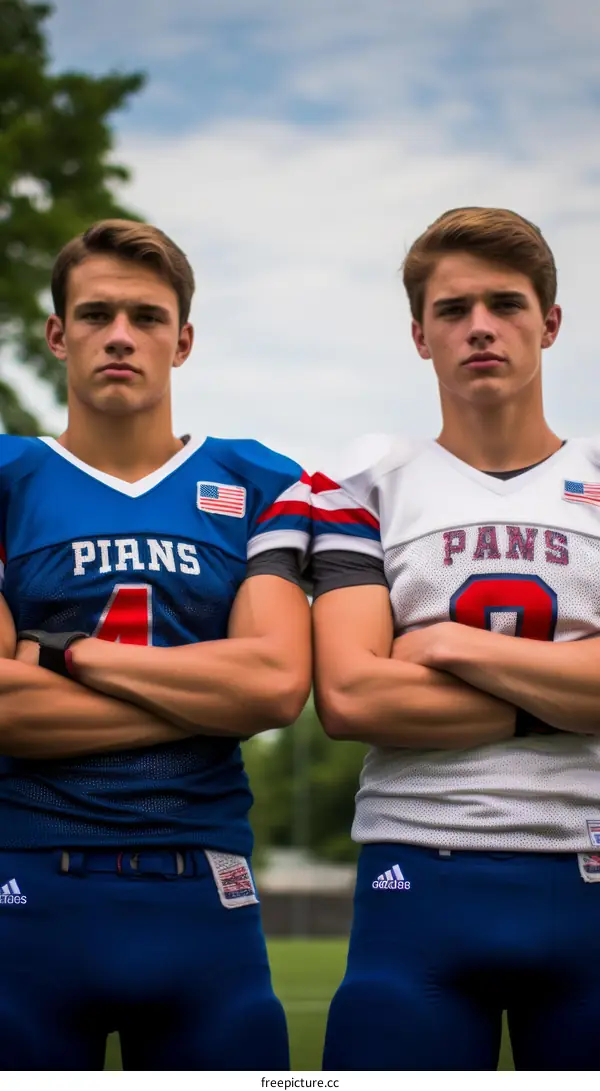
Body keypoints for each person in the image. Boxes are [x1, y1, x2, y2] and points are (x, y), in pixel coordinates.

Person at [0, 219, 312, 1071]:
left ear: (184, 340)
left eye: (145, 315)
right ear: (58, 335)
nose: (120, 336)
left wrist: (72, 654)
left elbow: (279, 686)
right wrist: (208, 700)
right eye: (96, 314)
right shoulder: (8, 475)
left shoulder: (258, 480)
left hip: (205, 891)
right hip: (26, 884)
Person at [310, 207, 600, 1072]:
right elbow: (354, 696)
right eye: (453, 308)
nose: (481, 326)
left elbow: (396, 674)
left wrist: (444, 647)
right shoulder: (364, 485)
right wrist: (561, 698)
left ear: (549, 323)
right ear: (419, 335)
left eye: (506, 304)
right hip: (414, 879)